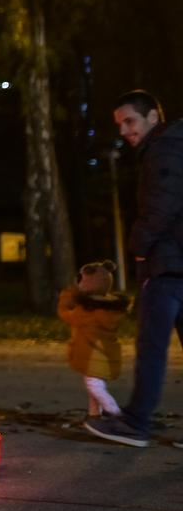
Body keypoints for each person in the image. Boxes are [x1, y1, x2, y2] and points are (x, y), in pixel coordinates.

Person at [85, 90, 183, 448]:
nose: (124, 130)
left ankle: (136, 423)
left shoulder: (164, 150)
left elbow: (163, 203)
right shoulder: (173, 146)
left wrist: (138, 245)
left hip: (169, 266)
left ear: (153, 117)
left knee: (152, 348)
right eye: (120, 124)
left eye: (130, 121)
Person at [58, 260, 128, 418]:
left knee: (94, 386)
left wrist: (67, 296)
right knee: (96, 385)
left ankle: (114, 411)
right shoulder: (111, 307)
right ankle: (94, 414)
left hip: (92, 355)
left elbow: (66, 315)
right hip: (106, 356)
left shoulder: (88, 310)